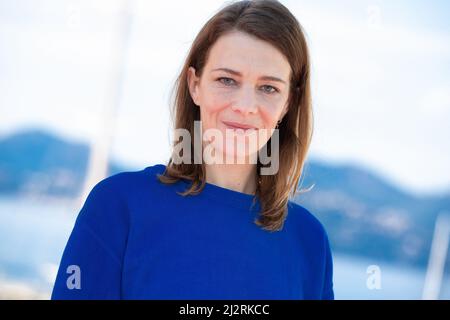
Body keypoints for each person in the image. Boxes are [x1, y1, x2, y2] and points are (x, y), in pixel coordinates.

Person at [51, 0, 334, 300]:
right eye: (227, 80)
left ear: (288, 103)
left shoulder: (309, 242)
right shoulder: (119, 207)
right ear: (195, 85)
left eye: (268, 88)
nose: (245, 106)